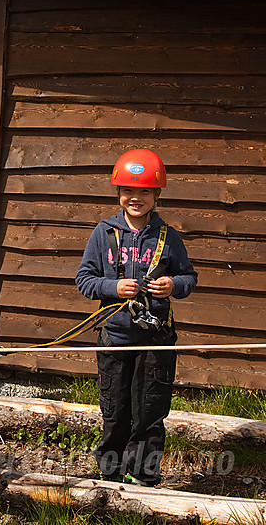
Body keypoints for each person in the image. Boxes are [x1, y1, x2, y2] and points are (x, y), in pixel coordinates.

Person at [75, 148, 197, 487]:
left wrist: (173, 285)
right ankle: (110, 477)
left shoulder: (168, 236)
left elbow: (189, 279)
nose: (136, 197)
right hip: (115, 337)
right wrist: (113, 287)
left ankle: (144, 478)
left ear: (156, 195)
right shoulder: (103, 233)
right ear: (118, 193)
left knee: (150, 412)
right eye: (129, 190)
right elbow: (84, 279)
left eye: (144, 190)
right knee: (115, 411)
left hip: (156, 339)